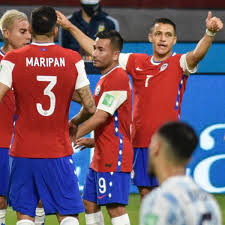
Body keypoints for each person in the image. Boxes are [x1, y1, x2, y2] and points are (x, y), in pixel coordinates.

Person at [56, 10, 223, 200]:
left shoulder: (179, 63)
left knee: (170, 198)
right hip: (140, 143)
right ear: (150, 37)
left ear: (175, 40)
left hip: (168, 144)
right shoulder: (137, 62)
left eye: (168, 35)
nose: (163, 39)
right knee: (147, 196)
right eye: (158, 34)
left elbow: (196, 55)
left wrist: (209, 34)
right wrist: (69, 27)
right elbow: (101, 51)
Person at [0, 6, 96, 225]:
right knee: (68, 213)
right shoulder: (72, 59)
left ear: (31, 29)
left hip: (22, 150)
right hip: (58, 149)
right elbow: (90, 106)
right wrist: (75, 121)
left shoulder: (12, 59)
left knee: (25, 215)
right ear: (55, 30)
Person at [70, 30, 132, 225]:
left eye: (100, 49)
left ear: (115, 55)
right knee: (89, 202)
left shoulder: (118, 77)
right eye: (94, 49)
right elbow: (94, 108)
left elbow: (101, 116)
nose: (94, 53)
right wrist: (93, 140)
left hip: (114, 155)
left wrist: (70, 137)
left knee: (115, 207)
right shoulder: (106, 78)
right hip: (102, 153)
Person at [139, 121, 222, 225]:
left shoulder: (158, 201)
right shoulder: (209, 201)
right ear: (189, 158)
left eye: (151, 143)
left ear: (157, 148)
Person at [0, 9, 31, 225]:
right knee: (0, 199)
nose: (28, 36)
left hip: (27, 143)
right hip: (1, 141)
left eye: (29, 31)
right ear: (6, 33)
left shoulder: (32, 63)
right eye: (22, 31)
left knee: (33, 201)